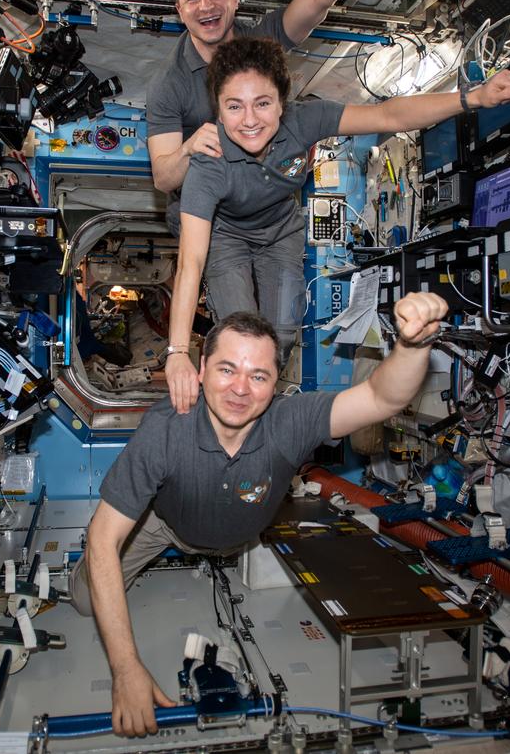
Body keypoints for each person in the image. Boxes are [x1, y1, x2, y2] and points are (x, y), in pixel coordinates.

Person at [70, 291, 449, 737]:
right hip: (166, 525)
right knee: (84, 600)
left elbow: (381, 398)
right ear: (201, 369)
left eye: (258, 375)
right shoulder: (165, 429)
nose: (240, 389)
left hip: (247, 533)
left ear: (275, 384)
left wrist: (412, 346)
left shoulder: (290, 421)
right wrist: (126, 668)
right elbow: (104, 538)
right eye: (227, 369)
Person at [163, 37, 510, 412]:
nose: (250, 120)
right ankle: (231, 417)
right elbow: (191, 261)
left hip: (279, 233)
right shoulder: (208, 163)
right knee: (239, 336)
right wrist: (177, 352)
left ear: (283, 103)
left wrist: (473, 98)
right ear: (218, 109)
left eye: (263, 103)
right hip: (226, 236)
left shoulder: (303, 120)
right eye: (234, 106)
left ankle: (262, 414)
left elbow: (388, 116)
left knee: (280, 338)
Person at [146, 0, 419, 233]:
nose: (206, 6)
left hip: (264, 204)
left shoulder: (261, 41)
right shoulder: (169, 83)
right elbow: (164, 178)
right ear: (179, 9)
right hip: (209, 212)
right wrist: (189, 148)